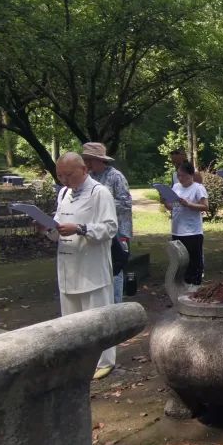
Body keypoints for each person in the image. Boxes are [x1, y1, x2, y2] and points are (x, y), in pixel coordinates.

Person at [48, 152, 118, 380]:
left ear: (84, 170)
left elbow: (110, 228)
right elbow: (58, 228)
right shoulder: (64, 193)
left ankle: (105, 361)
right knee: (71, 320)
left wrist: (80, 228)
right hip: (68, 264)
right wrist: (47, 228)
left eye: (68, 175)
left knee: (98, 318)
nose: (64, 180)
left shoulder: (100, 193)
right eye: (60, 176)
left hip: (92, 266)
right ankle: (78, 358)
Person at [82, 142, 133, 303]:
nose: (87, 163)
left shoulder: (116, 176)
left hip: (118, 231)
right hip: (97, 230)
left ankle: (116, 304)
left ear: (100, 160)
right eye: (85, 160)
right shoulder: (89, 177)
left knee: (115, 269)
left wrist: (102, 204)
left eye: (89, 160)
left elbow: (126, 203)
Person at [167, 162, 209, 285]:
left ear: (191, 175)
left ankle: (194, 286)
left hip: (192, 232)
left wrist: (189, 204)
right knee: (179, 262)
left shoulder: (198, 188)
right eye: (178, 175)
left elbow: (205, 206)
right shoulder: (176, 187)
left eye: (183, 175)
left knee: (193, 262)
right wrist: (165, 200)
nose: (180, 178)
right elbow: (171, 206)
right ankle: (180, 288)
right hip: (177, 230)